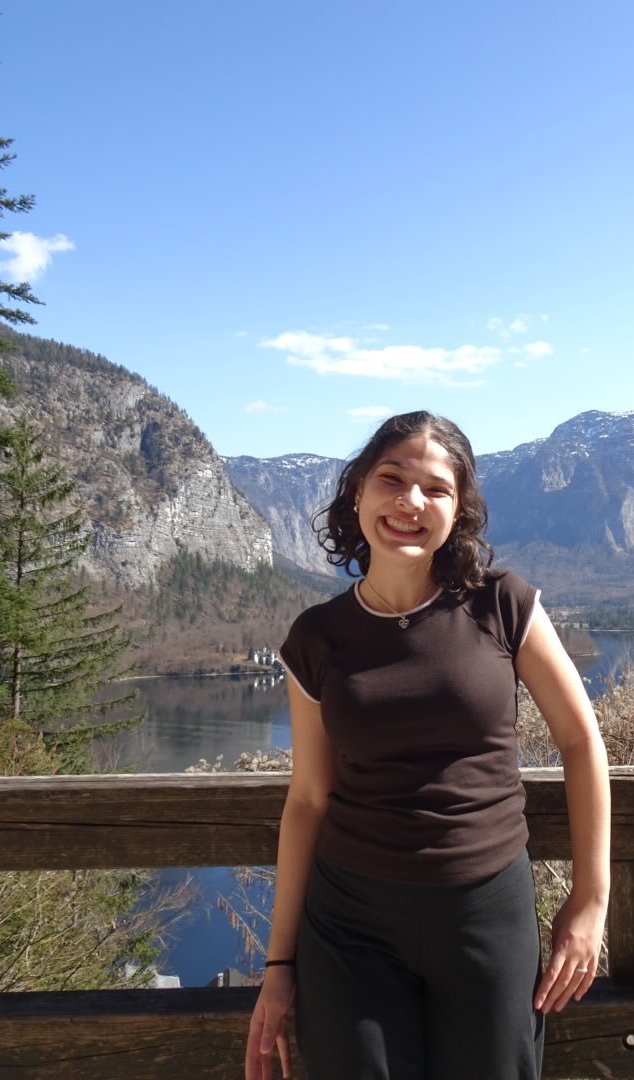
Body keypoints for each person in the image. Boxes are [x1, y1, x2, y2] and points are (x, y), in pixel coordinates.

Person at [245, 410, 611, 1080]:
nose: (410, 502)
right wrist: (279, 963)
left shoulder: (501, 604)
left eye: (436, 489)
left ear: (459, 510)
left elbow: (581, 740)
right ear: (358, 490)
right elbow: (308, 800)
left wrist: (590, 900)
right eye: (392, 479)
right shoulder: (317, 637)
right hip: (349, 926)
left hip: (486, 914)